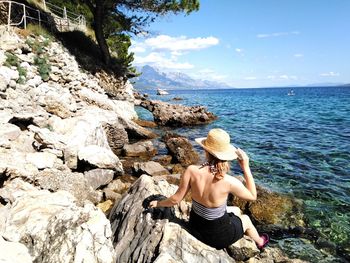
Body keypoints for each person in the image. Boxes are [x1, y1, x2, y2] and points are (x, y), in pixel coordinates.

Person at [148, 128, 269, 250]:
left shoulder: (191, 170)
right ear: (225, 155)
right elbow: (253, 196)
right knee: (246, 219)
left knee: (236, 210)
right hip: (217, 237)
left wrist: (158, 203)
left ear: (206, 151)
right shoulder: (229, 181)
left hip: (195, 227)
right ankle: (260, 242)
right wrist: (246, 167)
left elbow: (175, 200)